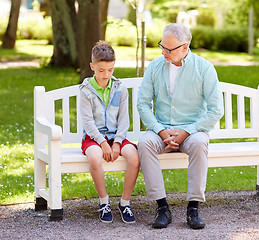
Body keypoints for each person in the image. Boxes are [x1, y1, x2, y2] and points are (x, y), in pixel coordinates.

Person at [137, 23, 224, 229]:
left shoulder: (204, 68)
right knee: (144, 143)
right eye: (162, 46)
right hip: (162, 129)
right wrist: (160, 130)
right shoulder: (155, 66)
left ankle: (193, 208)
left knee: (199, 143)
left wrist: (187, 132)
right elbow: (142, 104)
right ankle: (162, 207)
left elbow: (216, 110)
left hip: (192, 130)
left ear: (185, 48)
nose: (163, 52)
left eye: (169, 49)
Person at [80, 41, 139, 223]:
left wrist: (118, 142)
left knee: (134, 157)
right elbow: (88, 122)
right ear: (92, 67)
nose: (106, 75)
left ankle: (125, 203)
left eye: (110, 70)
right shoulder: (85, 90)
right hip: (93, 138)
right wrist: (103, 143)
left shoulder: (120, 88)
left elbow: (123, 119)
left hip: (117, 137)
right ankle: (104, 202)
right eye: (101, 70)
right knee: (95, 158)